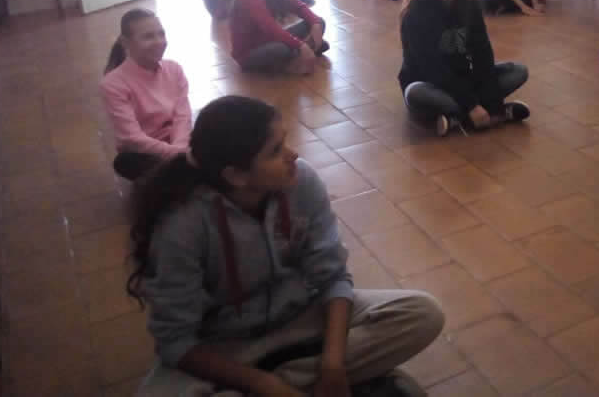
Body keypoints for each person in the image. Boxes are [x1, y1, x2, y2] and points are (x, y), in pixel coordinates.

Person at [128, 95, 444, 396]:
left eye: (286, 141)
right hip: (227, 344)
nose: (293, 155)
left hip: (305, 316)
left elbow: (333, 277)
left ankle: (312, 379)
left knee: (422, 314)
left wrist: (333, 365)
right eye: (276, 151)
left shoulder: (300, 180)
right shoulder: (182, 224)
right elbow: (176, 341)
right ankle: (349, 380)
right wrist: (263, 384)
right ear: (236, 176)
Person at [399, 0, 531, 137]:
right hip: (429, 81)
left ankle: (457, 118)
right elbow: (432, 69)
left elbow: (482, 52)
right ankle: (493, 114)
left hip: (464, 77)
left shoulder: (469, 2)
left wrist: (490, 99)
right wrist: (471, 104)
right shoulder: (415, 14)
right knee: (415, 92)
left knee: (518, 71)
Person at [100, 8, 191, 181]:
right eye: (148, 37)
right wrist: (177, 154)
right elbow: (132, 138)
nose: (159, 42)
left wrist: (180, 147)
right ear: (125, 42)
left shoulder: (174, 69)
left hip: (178, 144)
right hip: (145, 152)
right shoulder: (112, 83)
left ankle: (182, 177)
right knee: (125, 162)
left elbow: (183, 116)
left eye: (161, 34)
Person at [231, 0, 328, 75]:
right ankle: (301, 53)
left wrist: (315, 23)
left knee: (320, 22)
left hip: (270, 39)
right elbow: (270, 28)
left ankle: (298, 55)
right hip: (250, 51)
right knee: (281, 50)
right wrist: (301, 45)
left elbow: (300, 7)